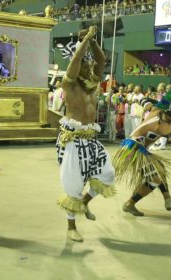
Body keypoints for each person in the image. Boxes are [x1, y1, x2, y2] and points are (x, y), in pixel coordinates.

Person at [56, 26, 115, 242]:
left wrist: (95, 42)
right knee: (73, 184)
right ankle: (71, 226)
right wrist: (86, 39)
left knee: (107, 174)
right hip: (72, 140)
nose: (90, 66)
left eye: (90, 64)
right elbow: (76, 61)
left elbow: (102, 61)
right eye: (85, 64)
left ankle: (84, 203)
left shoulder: (92, 84)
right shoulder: (69, 84)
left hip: (91, 139)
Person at [113, 92, 171, 216]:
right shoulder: (165, 126)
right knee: (155, 179)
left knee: (159, 168)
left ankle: (167, 198)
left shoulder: (156, 111)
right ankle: (130, 204)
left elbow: (144, 99)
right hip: (133, 150)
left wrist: (153, 103)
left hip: (133, 148)